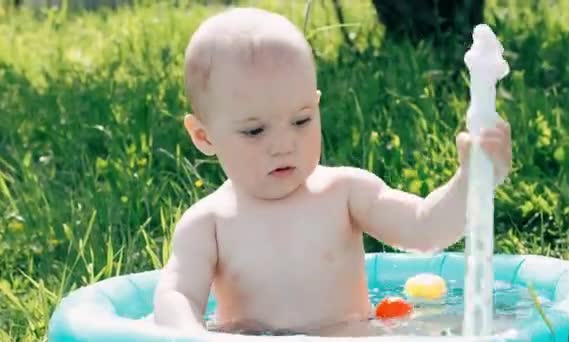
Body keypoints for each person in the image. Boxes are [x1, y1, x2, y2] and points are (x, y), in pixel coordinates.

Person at [153, 6, 512, 337]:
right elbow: (177, 295)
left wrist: (473, 180)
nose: (284, 144)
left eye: (301, 120)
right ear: (204, 136)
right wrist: (191, 333)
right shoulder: (208, 225)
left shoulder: (345, 192)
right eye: (255, 131)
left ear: (317, 105)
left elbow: (425, 228)